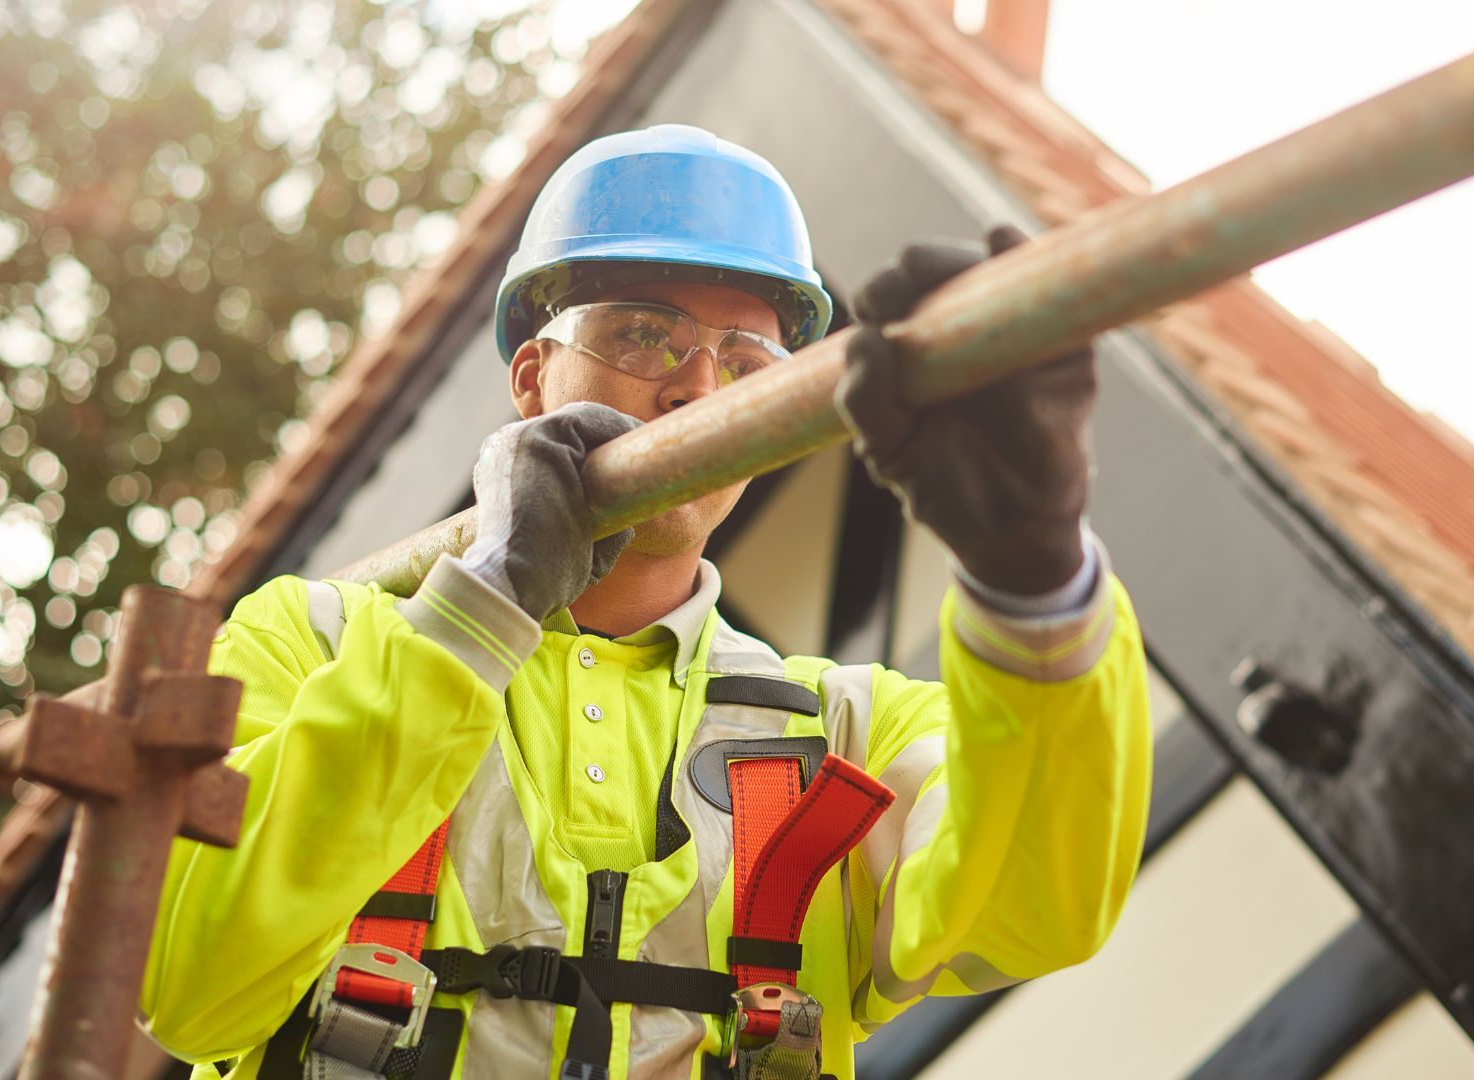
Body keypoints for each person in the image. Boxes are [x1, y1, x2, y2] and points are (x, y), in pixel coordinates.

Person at [140, 124, 1151, 1080]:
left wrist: (1035, 577)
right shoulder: (307, 643)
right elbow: (189, 991)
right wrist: (484, 608)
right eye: (643, 336)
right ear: (531, 379)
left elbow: (1042, 905)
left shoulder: (850, 734)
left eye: (749, 365)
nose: (699, 389)